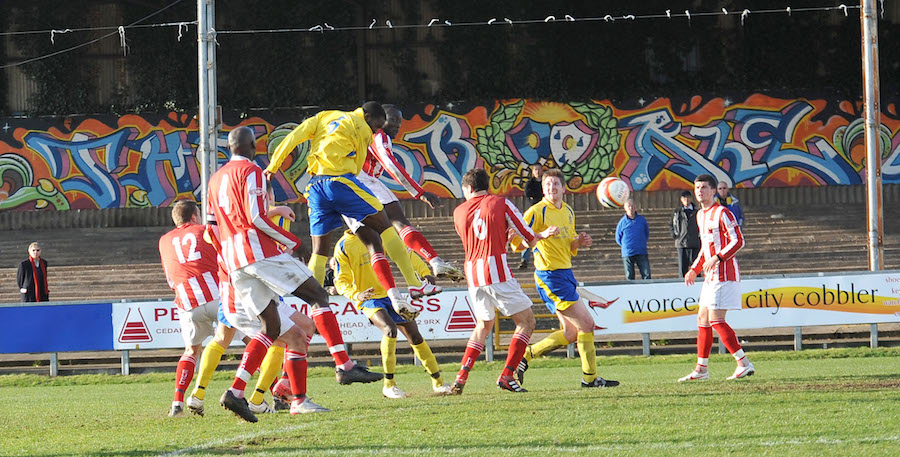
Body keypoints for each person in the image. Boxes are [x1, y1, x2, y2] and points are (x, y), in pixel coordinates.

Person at [207, 126, 379, 422]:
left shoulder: (214, 179)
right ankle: (344, 366)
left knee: (273, 328)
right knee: (319, 295)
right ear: (253, 145)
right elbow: (257, 217)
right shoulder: (253, 171)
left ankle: (238, 392)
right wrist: (292, 242)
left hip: (234, 261)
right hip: (258, 253)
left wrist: (228, 256)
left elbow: (212, 226)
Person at [264, 102, 420, 318]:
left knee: (319, 251)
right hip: (341, 182)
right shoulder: (364, 130)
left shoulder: (323, 116)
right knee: (384, 226)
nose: (376, 130)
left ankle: (315, 310)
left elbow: (293, 137)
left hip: (316, 186)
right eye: (376, 126)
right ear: (368, 117)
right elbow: (356, 167)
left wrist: (273, 166)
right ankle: (412, 285)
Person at [449, 168, 558, 394]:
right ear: (486, 186)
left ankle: (461, 377)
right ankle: (507, 375)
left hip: (472, 273)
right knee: (527, 321)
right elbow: (528, 238)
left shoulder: (458, 211)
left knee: (483, 325)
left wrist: (502, 237)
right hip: (495, 270)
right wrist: (543, 235)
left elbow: (476, 239)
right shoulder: (501, 203)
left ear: (469, 189)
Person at [512, 169, 619, 388]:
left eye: (555, 184)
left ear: (563, 188)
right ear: (543, 189)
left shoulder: (569, 212)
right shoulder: (536, 211)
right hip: (549, 276)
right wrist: (540, 235)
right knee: (587, 324)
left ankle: (525, 357)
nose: (551, 188)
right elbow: (515, 242)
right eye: (547, 184)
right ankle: (590, 379)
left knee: (571, 332)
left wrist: (579, 241)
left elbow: (569, 246)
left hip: (566, 272)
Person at [332, 230, 452, 398]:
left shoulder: (377, 236)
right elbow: (340, 280)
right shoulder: (344, 245)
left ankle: (439, 383)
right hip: (368, 298)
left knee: (415, 336)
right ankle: (389, 385)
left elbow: (405, 254)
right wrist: (356, 294)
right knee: (389, 329)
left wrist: (424, 272)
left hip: (390, 294)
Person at [358, 104, 464, 286]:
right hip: (365, 182)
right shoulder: (379, 136)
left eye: (400, 122)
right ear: (380, 120)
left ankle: (399, 291)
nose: (397, 126)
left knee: (374, 241)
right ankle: (434, 262)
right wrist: (419, 192)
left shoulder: (359, 133)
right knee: (399, 222)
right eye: (393, 120)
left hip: (345, 187)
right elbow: (390, 162)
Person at [679, 174, 754, 382]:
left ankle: (744, 363)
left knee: (716, 320)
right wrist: (694, 269)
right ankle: (701, 369)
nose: (699, 191)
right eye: (697, 188)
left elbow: (739, 241)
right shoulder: (700, 215)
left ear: (713, 191)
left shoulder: (722, 212)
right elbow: (705, 247)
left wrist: (719, 257)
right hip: (711, 277)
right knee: (702, 320)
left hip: (725, 274)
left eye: (704, 187)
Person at [158, 200, 222, 417]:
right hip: (216, 294)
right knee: (253, 339)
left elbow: (169, 276)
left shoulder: (164, 240)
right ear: (194, 217)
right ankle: (272, 394)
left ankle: (177, 404)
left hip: (186, 300)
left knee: (191, 350)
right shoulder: (205, 230)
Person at [615, 199, 651, 280]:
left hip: (641, 251)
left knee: (646, 275)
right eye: (628, 206)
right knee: (630, 276)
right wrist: (626, 246)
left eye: (632, 206)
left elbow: (646, 233)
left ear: (635, 207)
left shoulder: (642, 220)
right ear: (625, 208)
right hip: (628, 253)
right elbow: (618, 238)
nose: (630, 208)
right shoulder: (622, 222)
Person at [518, 163, 544, 269]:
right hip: (533, 211)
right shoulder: (530, 183)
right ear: (533, 172)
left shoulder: (545, 182)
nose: (537, 171)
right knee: (528, 233)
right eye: (535, 170)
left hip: (545, 211)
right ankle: (524, 259)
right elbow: (528, 193)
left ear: (542, 170)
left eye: (539, 169)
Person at [671, 190, 701, 277]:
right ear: (681, 199)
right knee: (682, 269)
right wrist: (675, 235)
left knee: (696, 268)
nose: (686, 199)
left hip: (695, 243)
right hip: (681, 243)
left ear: (691, 198)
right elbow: (671, 225)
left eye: (688, 197)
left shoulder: (697, 212)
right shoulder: (677, 212)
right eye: (684, 198)